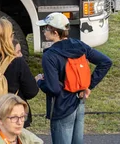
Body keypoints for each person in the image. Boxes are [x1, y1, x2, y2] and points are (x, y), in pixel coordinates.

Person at [35, 12, 112, 144]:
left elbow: (53, 89)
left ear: (55, 32)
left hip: (62, 106)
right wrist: (88, 86)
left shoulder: (50, 56)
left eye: (45, 28)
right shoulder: (79, 45)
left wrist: (40, 82)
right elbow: (105, 62)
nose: (43, 31)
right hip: (79, 102)